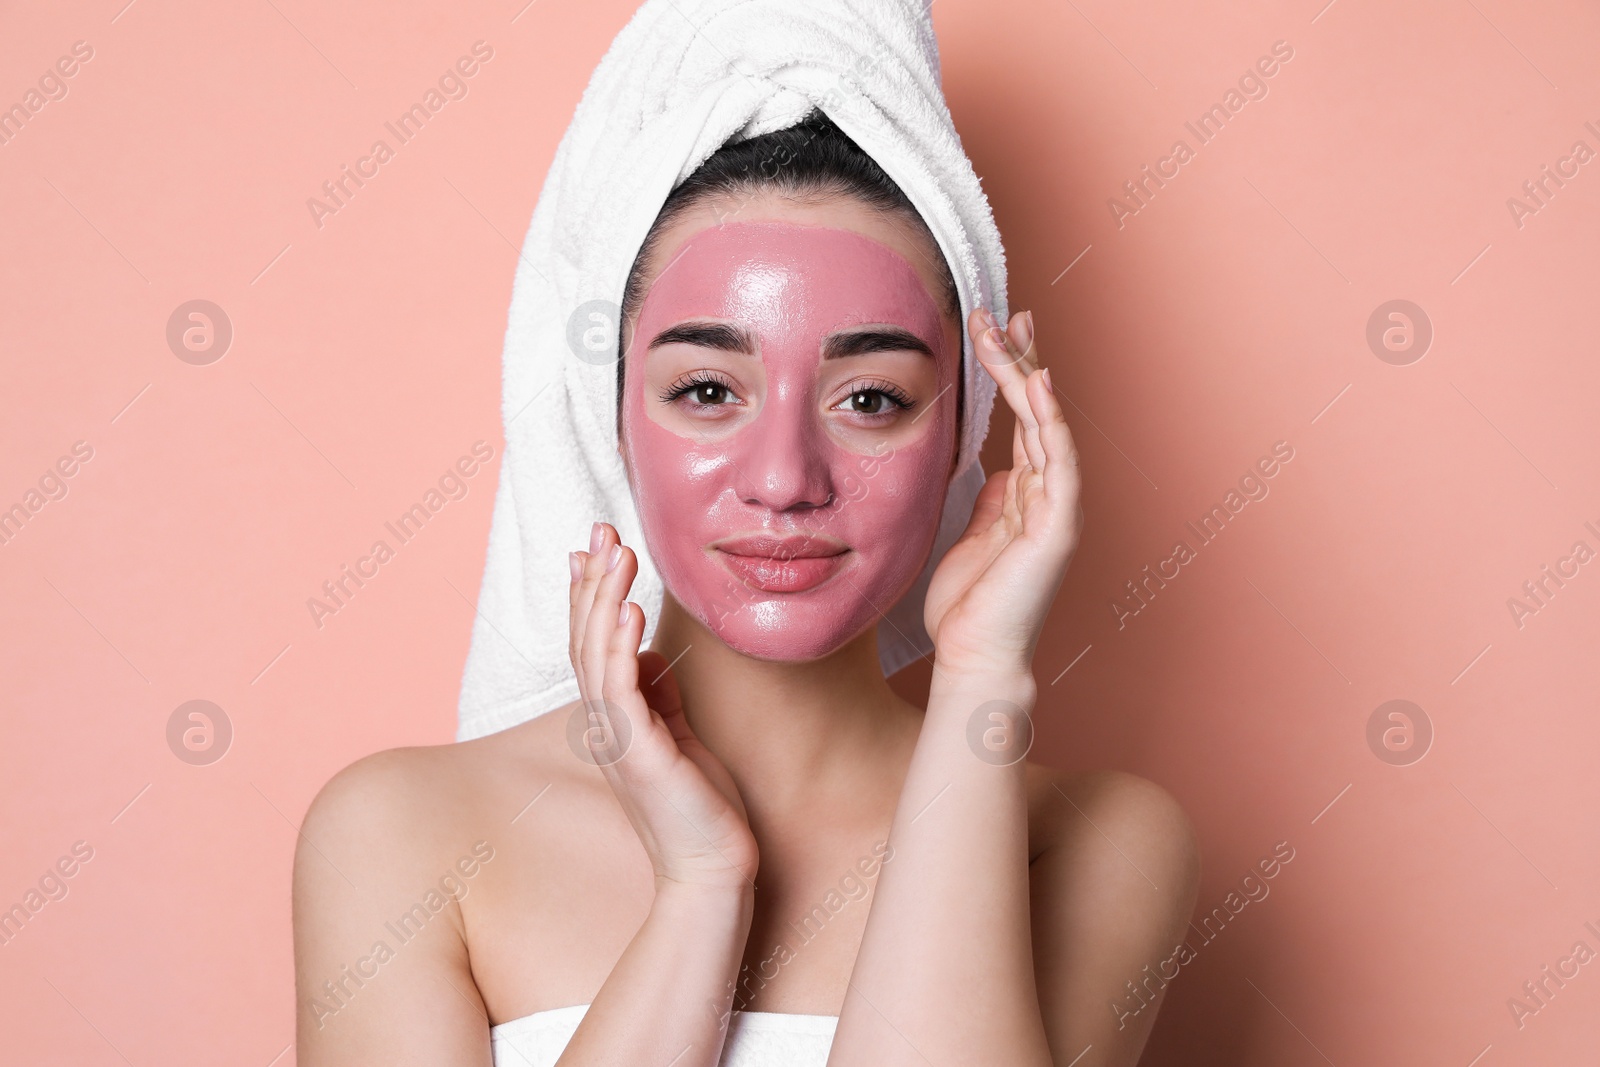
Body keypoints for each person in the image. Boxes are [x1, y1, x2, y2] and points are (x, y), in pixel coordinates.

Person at [293, 111, 1199, 1066]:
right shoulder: (402, 833)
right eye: (709, 390)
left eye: (870, 397)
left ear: (964, 438)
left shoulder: (1095, 845)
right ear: (614, 424)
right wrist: (701, 890)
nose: (783, 478)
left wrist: (980, 677)